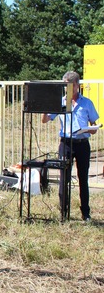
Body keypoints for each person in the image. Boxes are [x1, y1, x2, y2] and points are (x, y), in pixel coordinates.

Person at [41, 71, 99, 221]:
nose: (68, 89)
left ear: (77, 85)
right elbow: (46, 119)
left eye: (70, 86)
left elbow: (93, 124)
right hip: (66, 144)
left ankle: (85, 212)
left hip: (82, 144)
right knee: (64, 178)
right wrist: (46, 106)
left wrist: (93, 128)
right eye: (65, 86)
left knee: (83, 178)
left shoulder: (86, 103)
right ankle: (63, 212)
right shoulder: (61, 101)